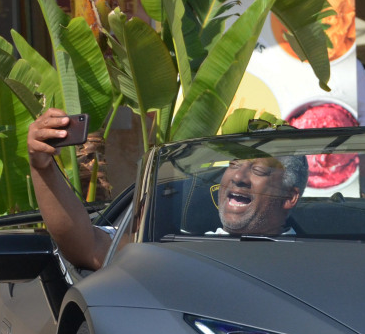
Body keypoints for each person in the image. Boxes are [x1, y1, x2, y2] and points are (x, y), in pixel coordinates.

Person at [28, 109, 307, 270]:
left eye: (258, 170)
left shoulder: (317, 260)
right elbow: (87, 246)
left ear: (290, 197)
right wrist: (42, 167)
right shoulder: (178, 250)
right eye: (234, 164)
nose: (239, 177)